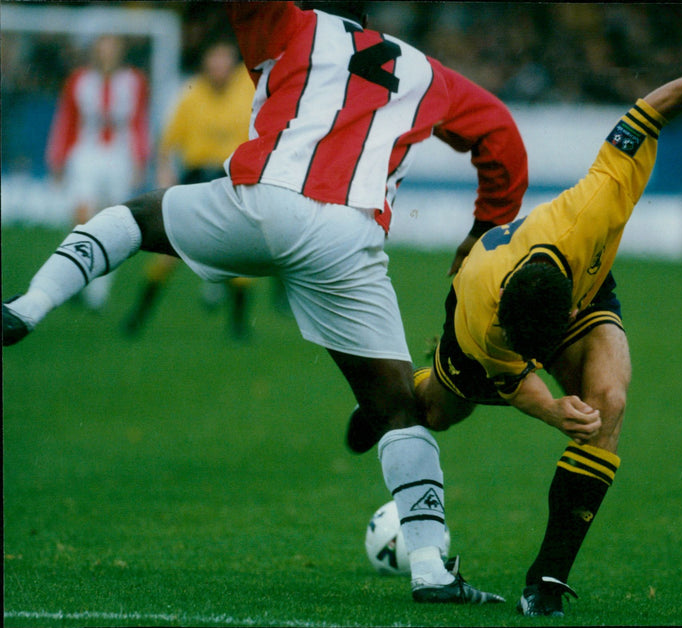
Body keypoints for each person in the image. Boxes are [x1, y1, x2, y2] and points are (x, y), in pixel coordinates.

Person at [2, 1, 528, 605]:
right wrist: (484, 227)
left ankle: (28, 306)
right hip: (348, 236)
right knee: (397, 410)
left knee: (133, 217)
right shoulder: (429, 72)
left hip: (262, 202)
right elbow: (502, 136)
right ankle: (432, 568)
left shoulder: (290, 22)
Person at [358, 8, 682, 618]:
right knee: (433, 411)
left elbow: (645, 113)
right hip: (473, 325)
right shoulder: (486, 312)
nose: (546, 363)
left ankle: (545, 581)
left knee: (606, 405)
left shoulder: (595, 204)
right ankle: (384, 401)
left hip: (586, 293)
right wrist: (550, 407)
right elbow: (516, 380)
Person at [122, 40, 258, 340]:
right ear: (205, 63)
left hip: (231, 178)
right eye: (214, 58)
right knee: (168, 254)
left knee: (241, 250)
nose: (219, 66)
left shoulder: (248, 90)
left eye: (224, 59)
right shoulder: (191, 94)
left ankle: (238, 327)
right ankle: (136, 318)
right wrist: (165, 169)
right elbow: (167, 143)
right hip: (196, 177)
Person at [45, 33, 149, 311]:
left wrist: (140, 159)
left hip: (120, 156)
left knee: (115, 222)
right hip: (86, 153)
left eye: (112, 48)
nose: (107, 54)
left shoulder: (134, 81)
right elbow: (67, 118)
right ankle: (77, 280)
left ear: (120, 51)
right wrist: (57, 157)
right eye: (103, 48)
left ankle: (97, 290)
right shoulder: (79, 80)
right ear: (95, 51)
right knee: (81, 216)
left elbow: (140, 120)